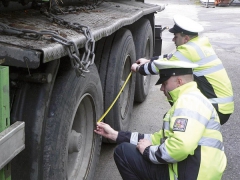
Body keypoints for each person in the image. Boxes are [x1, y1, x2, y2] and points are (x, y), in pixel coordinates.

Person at [95, 61, 227, 180]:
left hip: (191, 175)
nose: (162, 89)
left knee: (123, 152)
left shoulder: (188, 102)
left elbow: (181, 146)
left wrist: (148, 151)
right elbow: (158, 138)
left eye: (164, 83)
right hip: (198, 172)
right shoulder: (194, 99)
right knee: (128, 148)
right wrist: (115, 135)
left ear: (179, 82)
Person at [131, 14, 234, 125]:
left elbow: (161, 66)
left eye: (176, 36)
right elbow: (171, 57)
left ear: (186, 38)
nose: (173, 39)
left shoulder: (188, 51)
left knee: (173, 84)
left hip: (216, 108)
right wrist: (149, 60)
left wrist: (139, 68)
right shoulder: (198, 45)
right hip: (222, 105)